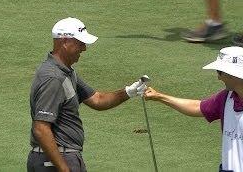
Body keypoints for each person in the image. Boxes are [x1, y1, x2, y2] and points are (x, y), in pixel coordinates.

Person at [27, 17, 147, 172]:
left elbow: (97, 100)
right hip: (54, 162)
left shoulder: (66, 72)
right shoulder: (53, 78)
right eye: (80, 43)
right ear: (64, 41)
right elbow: (41, 128)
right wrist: (64, 169)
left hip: (62, 158)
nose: (84, 48)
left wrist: (129, 92)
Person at [144, 46, 243, 171]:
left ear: (233, 73)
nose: (218, 77)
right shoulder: (226, 97)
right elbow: (197, 107)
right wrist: (159, 96)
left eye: (220, 71)